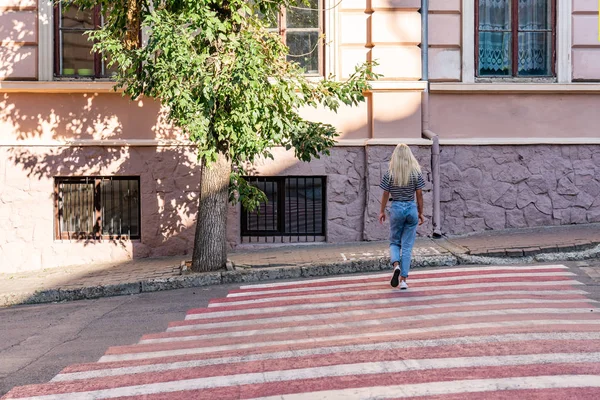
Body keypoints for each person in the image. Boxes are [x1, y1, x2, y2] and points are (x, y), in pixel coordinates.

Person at [378, 143, 425, 290]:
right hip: (411, 208)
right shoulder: (415, 173)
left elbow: (385, 193)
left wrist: (382, 211)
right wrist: (421, 212)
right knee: (407, 246)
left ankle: (396, 265)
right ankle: (403, 280)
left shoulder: (390, 173)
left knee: (394, 242)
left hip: (397, 208)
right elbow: (419, 194)